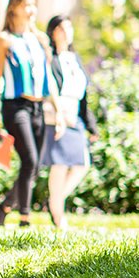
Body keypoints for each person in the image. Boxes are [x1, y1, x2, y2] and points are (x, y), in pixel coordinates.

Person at [0, 0, 65, 227]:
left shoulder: (39, 40)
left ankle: (3, 207)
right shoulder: (5, 39)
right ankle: (24, 219)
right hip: (15, 106)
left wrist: (58, 111)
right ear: (14, 8)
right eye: (25, 5)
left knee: (35, 164)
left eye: (33, 5)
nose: (31, 10)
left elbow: (48, 80)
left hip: (38, 107)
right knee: (29, 160)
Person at [41, 15, 99, 230]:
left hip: (75, 117)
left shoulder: (74, 59)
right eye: (62, 28)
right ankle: (59, 217)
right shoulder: (50, 58)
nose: (67, 32)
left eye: (69, 27)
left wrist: (91, 126)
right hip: (57, 116)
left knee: (82, 164)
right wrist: (58, 114)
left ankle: (55, 202)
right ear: (53, 31)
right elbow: (50, 87)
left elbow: (83, 96)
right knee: (59, 164)